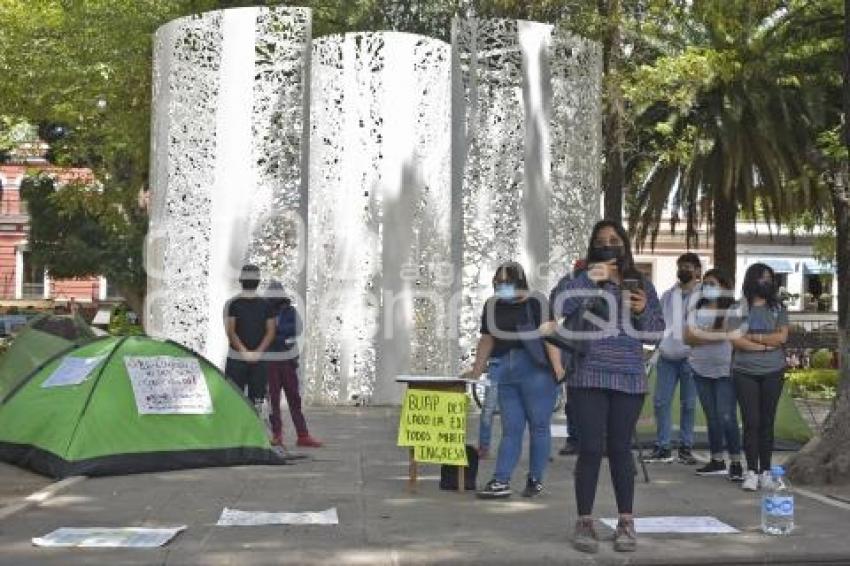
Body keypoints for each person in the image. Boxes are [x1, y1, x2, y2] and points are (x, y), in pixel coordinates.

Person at [548, 220, 664, 554]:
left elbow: (656, 334)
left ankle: (625, 521)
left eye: (614, 240)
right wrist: (590, 277)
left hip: (628, 378)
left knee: (620, 450)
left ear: (625, 245)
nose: (608, 245)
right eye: (601, 241)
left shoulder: (639, 283)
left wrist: (642, 312)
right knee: (590, 449)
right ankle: (585, 521)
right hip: (587, 376)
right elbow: (558, 309)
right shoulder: (579, 279)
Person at [468, 261, 564, 499]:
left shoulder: (537, 300)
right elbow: (487, 338)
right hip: (503, 369)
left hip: (535, 369)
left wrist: (558, 368)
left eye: (507, 282)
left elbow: (549, 335)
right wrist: (476, 370)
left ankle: (535, 479)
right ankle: (501, 479)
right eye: (497, 282)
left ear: (520, 282)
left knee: (539, 426)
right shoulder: (492, 305)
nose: (502, 286)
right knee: (511, 428)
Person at [730, 263, 789, 492]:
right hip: (745, 372)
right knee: (751, 421)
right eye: (764, 278)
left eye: (770, 279)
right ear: (753, 280)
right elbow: (736, 340)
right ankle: (751, 471)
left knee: (767, 422)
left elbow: (782, 338)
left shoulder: (778, 308)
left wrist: (753, 338)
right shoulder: (738, 308)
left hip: (773, 371)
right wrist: (766, 345)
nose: (768, 282)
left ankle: (766, 471)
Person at [684, 268, 743, 481]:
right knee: (712, 417)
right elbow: (687, 338)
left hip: (725, 370)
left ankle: (736, 462)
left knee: (726, 416)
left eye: (712, 283)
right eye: (705, 283)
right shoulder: (696, 308)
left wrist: (701, 335)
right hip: (700, 369)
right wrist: (712, 335)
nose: (706, 287)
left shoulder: (732, 309)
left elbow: (730, 335)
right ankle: (717, 459)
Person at [645, 253, 702, 465]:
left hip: (691, 356)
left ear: (697, 270)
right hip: (667, 356)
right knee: (661, 402)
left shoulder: (703, 295)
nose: (684, 269)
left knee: (688, 404)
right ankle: (663, 446)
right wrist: (656, 347)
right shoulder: (668, 295)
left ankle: (685, 448)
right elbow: (659, 322)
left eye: (688, 266)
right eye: (681, 266)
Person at [265, 281, 322, 449]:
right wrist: (278, 335)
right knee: (273, 400)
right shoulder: (264, 313)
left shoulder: (290, 311)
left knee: (294, 399)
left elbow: (297, 328)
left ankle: (302, 435)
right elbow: (264, 333)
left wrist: (275, 334)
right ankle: (277, 435)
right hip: (270, 362)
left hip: (288, 361)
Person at [224, 265, 276, 409]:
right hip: (246, 359)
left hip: (241, 359)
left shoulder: (233, 304)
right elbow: (270, 332)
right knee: (238, 400)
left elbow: (230, 331)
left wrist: (248, 353)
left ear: (240, 280)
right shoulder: (266, 305)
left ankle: (244, 429)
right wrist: (255, 353)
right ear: (259, 281)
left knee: (247, 401)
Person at [550, 257, 588, 456]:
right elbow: (555, 305)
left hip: (590, 345)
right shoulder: (570, 283)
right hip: (573, 345)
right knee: (573, 396)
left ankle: (581, 439)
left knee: (581, 397)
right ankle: (574, 438)